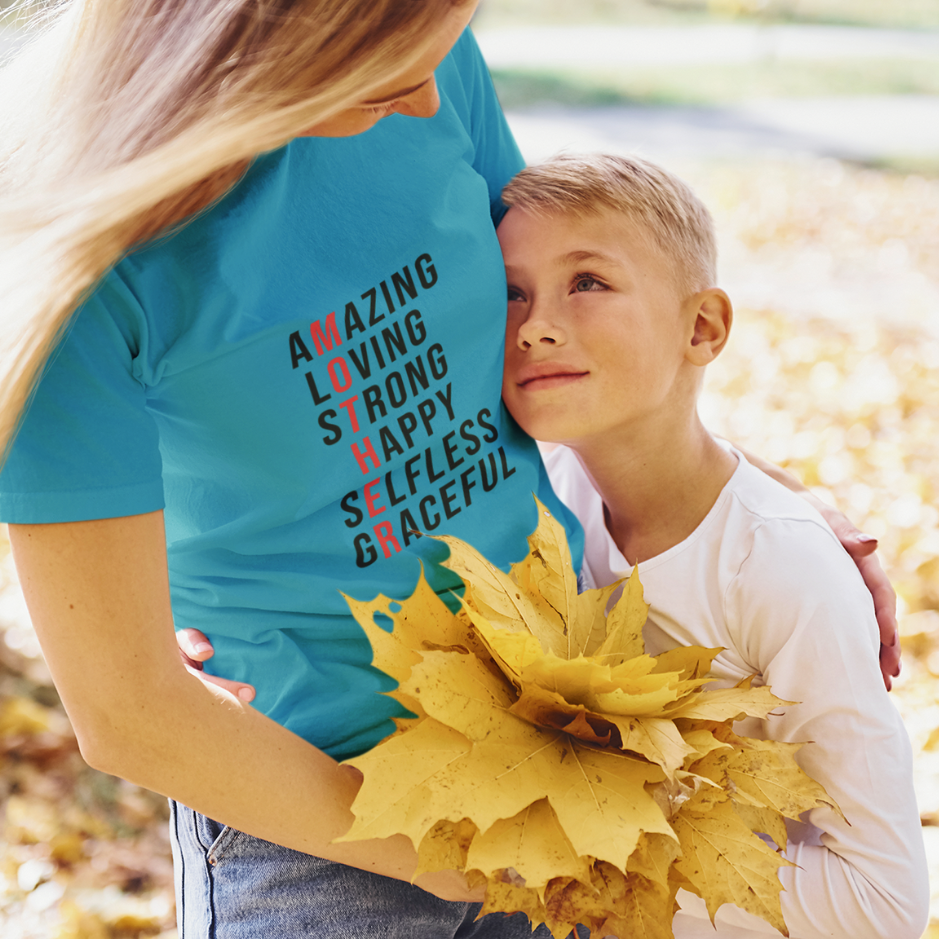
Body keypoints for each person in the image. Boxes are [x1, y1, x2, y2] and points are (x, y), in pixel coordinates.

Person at [0, 0, 899, 935]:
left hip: (563, 743)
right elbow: (128, 708)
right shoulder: (66, 232)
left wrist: (765, 504)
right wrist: (444, 856)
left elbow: (558, 355)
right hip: (313, 828)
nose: (432, 96)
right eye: (390, 75)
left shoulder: (424, 42)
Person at [496, 152, 929, 938]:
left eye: (586, 282)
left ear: (701, 327)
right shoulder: (535, 497)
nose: (535, 325)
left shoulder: (780, 567)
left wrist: (598, 859)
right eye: (509, 292)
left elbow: (883, 900)